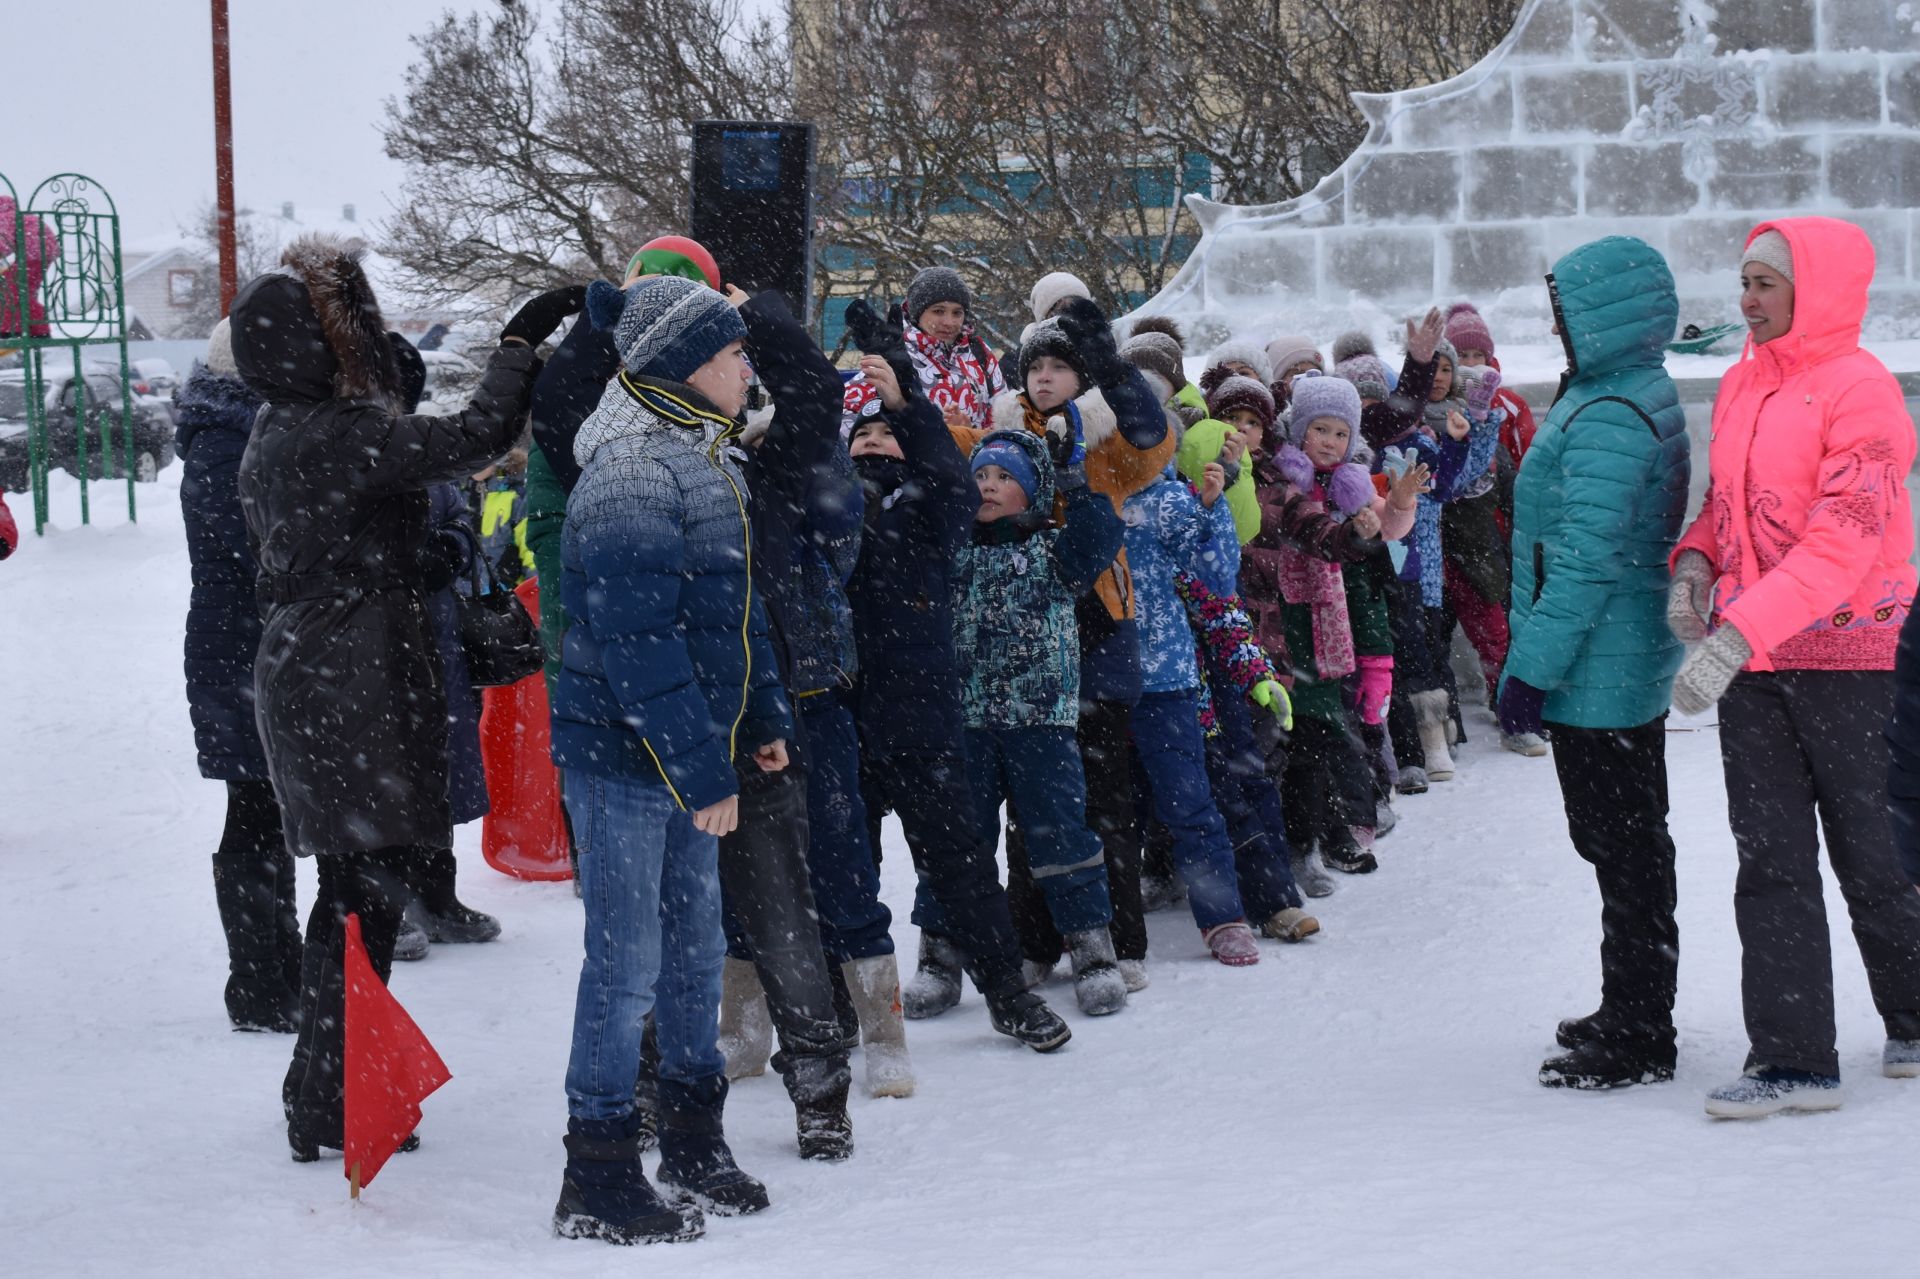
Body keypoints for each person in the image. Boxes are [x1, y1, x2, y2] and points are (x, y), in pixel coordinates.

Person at [232, 235, 575, 1162]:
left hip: (322, 665)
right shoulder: (333, 430)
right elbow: (471, 438)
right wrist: (517, 346)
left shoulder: (281, 424)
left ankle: (329, 1085)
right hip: (351, 674)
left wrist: (400, 559)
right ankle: (336, 1093)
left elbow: (343, 526)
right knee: (361, 898)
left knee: (351, 893)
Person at [550, 274, 787, 1241]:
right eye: (734, 354)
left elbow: (732, 608)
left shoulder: (701, 453)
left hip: (689, 751)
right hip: (622, 758)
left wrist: (761, 711)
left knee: (694, 947)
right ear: (688, 365)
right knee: (627, 959)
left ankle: (693, 1137)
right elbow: (637, 640)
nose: (747, 368)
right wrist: (701, 767)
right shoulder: (633, 471)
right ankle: (597, 1170)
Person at [1665, 218, 1920, 1115]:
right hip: (1756, 663)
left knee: (1871, 850)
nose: (1748, 299)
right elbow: (1725, 506)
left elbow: (1843, 540)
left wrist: (1736, 635)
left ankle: (1917, 1012)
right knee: (1768, 856)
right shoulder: (1740, 382)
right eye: (1744, 282)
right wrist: (1695, 562)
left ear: (1814, 289)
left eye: (1766, 283)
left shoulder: (1863, 391)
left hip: (1852, 658)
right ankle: (1792, 1057)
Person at [841, 299, 1074, 1050]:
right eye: (863, 433)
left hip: (921, 717)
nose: (876, 441)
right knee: (846, 872)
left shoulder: (932, 511)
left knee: (961, 865)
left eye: (887, 432)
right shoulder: (829, 509)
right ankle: (856, 1006)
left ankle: (1007, 992)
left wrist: (902, 391)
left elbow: (945, 465)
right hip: (841, 718)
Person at [1497, 236, 1691, 1092]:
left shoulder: (1612, 410)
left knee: (1625, 851)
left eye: (1566, 309)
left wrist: (1529, 668)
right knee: (1625, 845)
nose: (1556, 324)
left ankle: (1641, 1029)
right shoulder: (1617, 390)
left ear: (1606, 315)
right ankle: (1633, 1005)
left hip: (1597, 668)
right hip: (1615, 659)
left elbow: (1584, 559)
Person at [957, 300, 1174, 993]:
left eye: (1061, 365)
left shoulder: (1109, 435)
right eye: (1036, 366)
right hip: (1015, 645)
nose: (1046, 377)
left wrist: (1112, 367)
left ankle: (1115, 940)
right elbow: (942, 438)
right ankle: (1035, 939)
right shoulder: (1001, 433)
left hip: (1097, 630)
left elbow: (1154, 437)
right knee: (1031, 804)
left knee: (1102, 799)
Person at [952, 425, 1131, 1007]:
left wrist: (1077, 483)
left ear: (1033, 490)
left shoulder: (1053, 551)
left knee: (1059, 835)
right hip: (969, 722)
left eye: (1005, 477)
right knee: (961, 842)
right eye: (981, 474)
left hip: (1042, 721)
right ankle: (942, 954)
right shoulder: (955, 551)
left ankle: (1092, 951)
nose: (990, 486)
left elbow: (1102, 534)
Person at [174, 318, 301, 1031]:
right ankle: (255, 980)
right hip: (239, 654)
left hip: (249, 648)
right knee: (253, 807)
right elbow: (259, 548)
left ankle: (272, 966)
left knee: (269, 809)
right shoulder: (227, 444)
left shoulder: (237, 432)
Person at [1252, 373, 1420, 878]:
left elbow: (1385, 526)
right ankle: (1303, 838)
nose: (1329, 442)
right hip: (1282, 620)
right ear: (1299, 429)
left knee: (1324, 730)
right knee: (1294, 737)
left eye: (1340, 433)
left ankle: (1332, 829)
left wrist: (1401, 501)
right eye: (1319, 429)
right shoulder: (1280, 483)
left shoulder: (1349, 485)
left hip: (1327, 619)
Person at [841, 266, 1006, 433]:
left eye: (957, 313)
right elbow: (844, 424)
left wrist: (969, 436)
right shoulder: (894, 353)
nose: (949, 322)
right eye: (938, 311)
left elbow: (1004, 425)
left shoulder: (979, 353)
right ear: (917, 313)